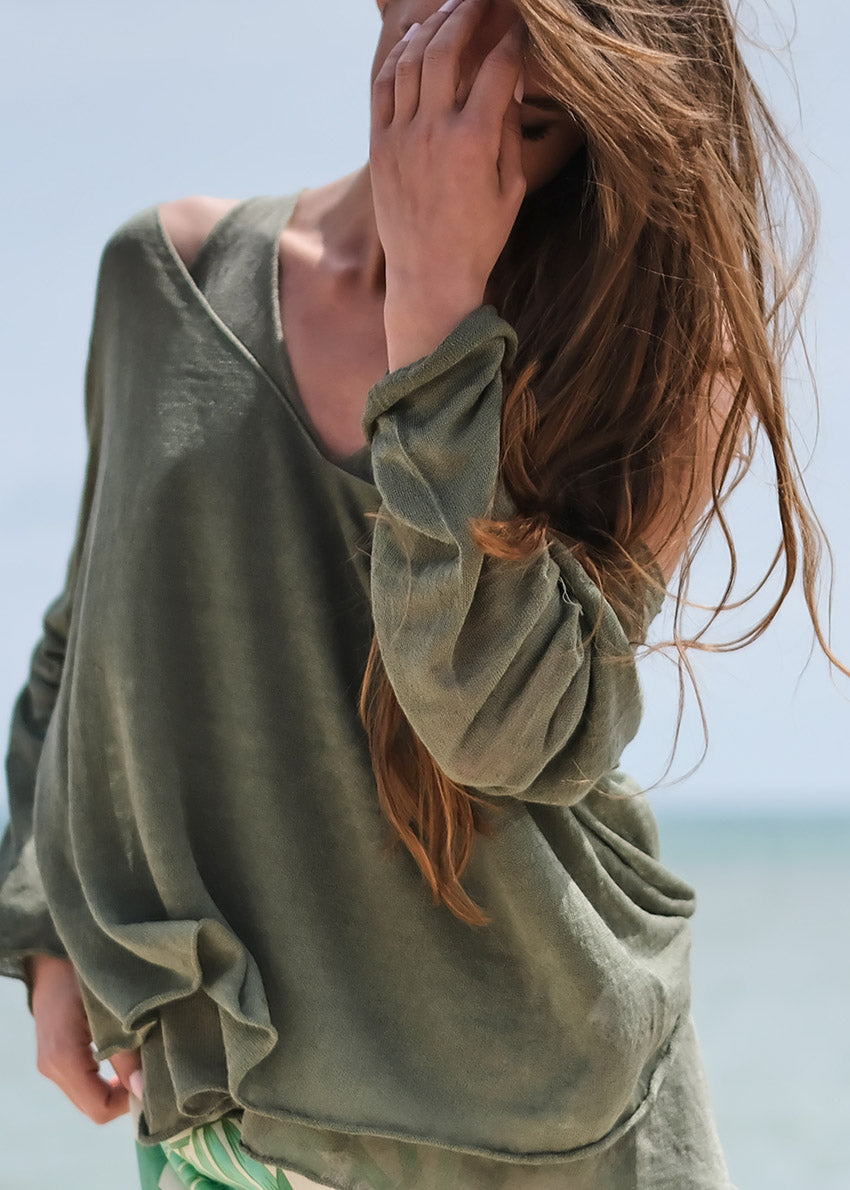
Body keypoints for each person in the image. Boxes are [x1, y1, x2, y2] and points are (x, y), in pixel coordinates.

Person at [1, 0, 846, 1187]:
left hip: (537, 1141)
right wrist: (46, 929)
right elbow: (85, 635)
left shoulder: (648, 349)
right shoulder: (165, 277)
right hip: (219, 1144)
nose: (514, 48)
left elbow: (496, 729)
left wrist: (437, 322)